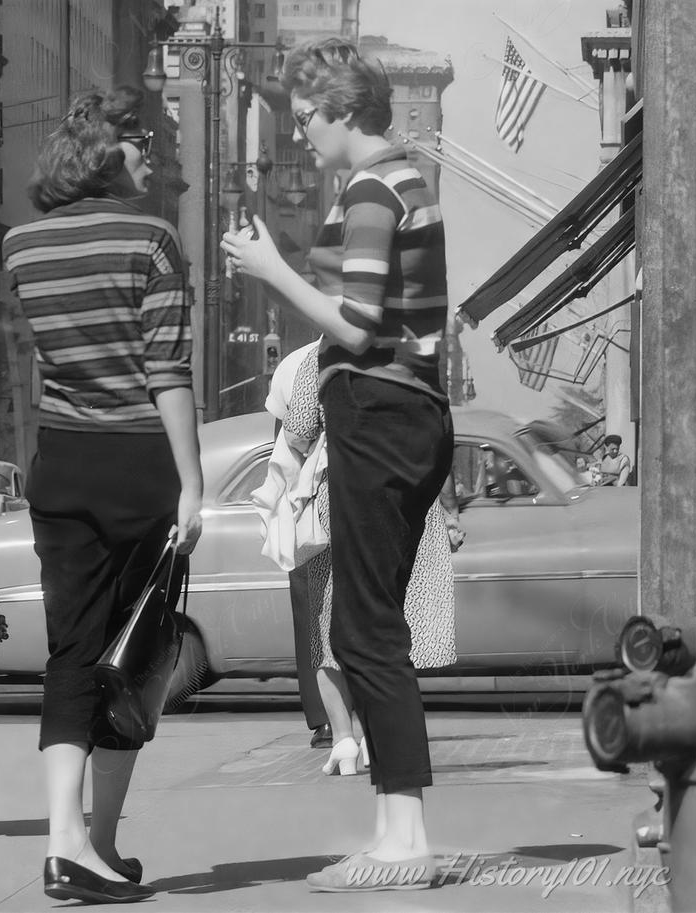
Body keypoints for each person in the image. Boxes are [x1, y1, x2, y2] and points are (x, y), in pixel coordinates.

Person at [222, 39, 453, 891]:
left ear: (343, 111)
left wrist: (272, 267)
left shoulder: (369, 189)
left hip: (379, 413)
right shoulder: (404, 180)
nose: (303, 133)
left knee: (365, 630)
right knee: (364, 625)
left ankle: (406, 836)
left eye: (307, 117)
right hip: (406, 413)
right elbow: (385, 302)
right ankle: (399, 826)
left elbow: (355, 325)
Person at [2, 87, 202, 905]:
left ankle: (68, 842)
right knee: (135, 652)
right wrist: (194, 481)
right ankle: (104, 838)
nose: (153, 154)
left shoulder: (20, 247)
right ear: (107, 149)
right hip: (137, 466)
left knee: (72, 654)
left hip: (61, 466)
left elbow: (25, 373)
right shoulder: (152, 237)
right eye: (144, 140)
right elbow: (167, 370)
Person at [268, 344, 459, 780]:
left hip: (343, 497)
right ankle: (381, 741)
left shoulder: (325, 351)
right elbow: (440, 432)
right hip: (407, 498)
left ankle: (344, 741)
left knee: (328, 628)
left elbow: (297, 431)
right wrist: (448, 511)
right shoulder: (414, 347)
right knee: (388, 620)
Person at [264, 340, 332, 749]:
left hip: (307, 503)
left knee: (311, 610)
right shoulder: (382, 350)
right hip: (352, 497)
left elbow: (282, 445)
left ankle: (325, 718)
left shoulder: (294, 363)